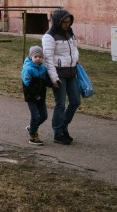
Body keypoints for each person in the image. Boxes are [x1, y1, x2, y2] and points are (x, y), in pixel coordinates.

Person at [42, 9, 81, 145]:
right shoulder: (49, 36)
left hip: (71, 72)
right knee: (60, 104)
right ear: (57, 21)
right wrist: (54, 79)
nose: (66, 24)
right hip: (58, 74)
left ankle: (63, 126)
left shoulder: (69, 32)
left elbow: (75, 48)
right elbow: (48, 59)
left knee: (75, 101)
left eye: (69, 22)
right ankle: (58, 133)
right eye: (64, 22)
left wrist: (75, 59)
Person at [21, 45, 49, 145]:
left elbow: (45, 81)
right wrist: (34, 95)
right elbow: (27, 85)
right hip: (31, 97)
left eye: (40, 57)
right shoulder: (28, 69)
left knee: (44, 116)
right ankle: (33, 136)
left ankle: (31, 127)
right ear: (31, 57)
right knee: (36, 116)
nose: (38, 59)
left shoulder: (43, 68)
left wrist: (54, 83)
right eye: (35, 56)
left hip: (41, 96)